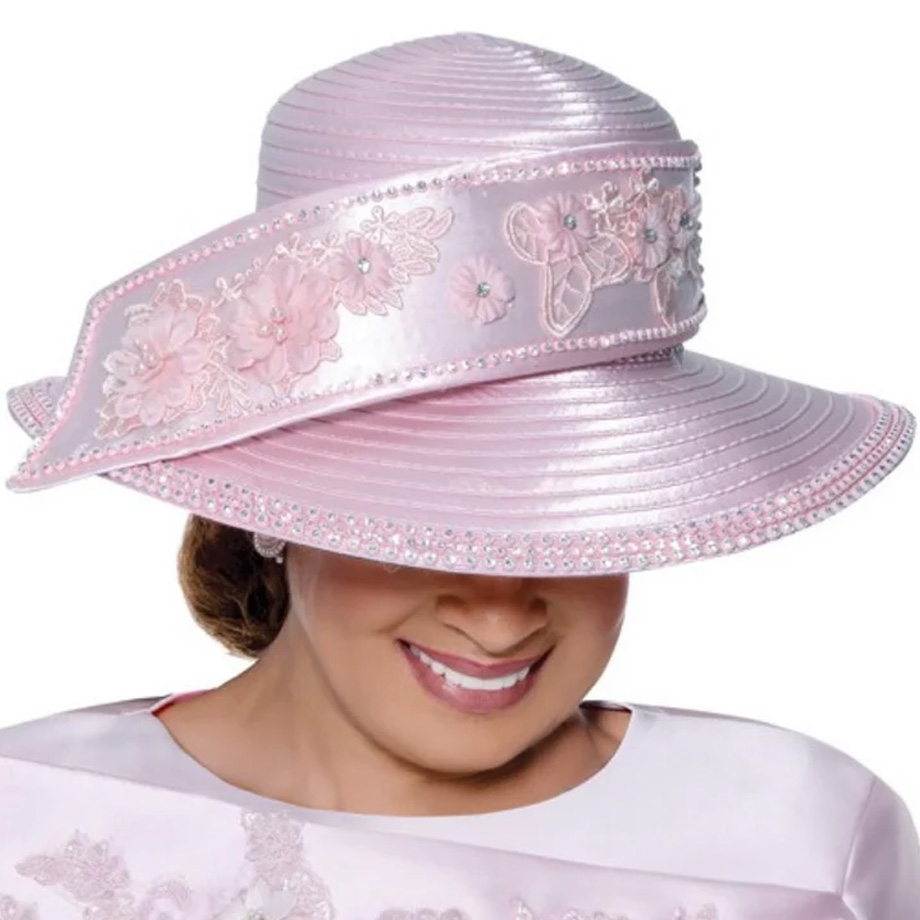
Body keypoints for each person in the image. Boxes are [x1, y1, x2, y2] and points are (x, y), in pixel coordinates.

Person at [1, 30, 917, 920]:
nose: (498, 615)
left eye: (571, 520)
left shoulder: (799, 844)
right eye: (425, 523)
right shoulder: (31, 828)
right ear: (267, 509)